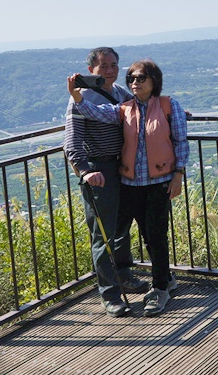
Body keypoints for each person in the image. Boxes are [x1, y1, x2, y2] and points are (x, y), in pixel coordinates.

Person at [67, 58, 189, 317]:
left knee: (156, 236)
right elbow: (97, 113)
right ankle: (161, 280)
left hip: (159, 182)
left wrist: (178, 174)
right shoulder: (124, 108)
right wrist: (77, 98)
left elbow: (181, 143)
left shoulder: (169, 106)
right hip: (130, 183)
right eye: (132, 78)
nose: (135, 82)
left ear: (154, 80)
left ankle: (160, 288)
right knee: (142, 235)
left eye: (141, 78)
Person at [63, 47, 148, 318]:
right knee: (103, 234)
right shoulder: (80, 97)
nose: (110, 70)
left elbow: (142, 110)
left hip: (122, 167)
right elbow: (72, 140)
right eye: (103, 66)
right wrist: (85, 171)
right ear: (91, 70)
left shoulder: (120, 93)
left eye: (114, 65)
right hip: (99, 170)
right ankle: (110, 295)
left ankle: (124, 275)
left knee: (122, 226)